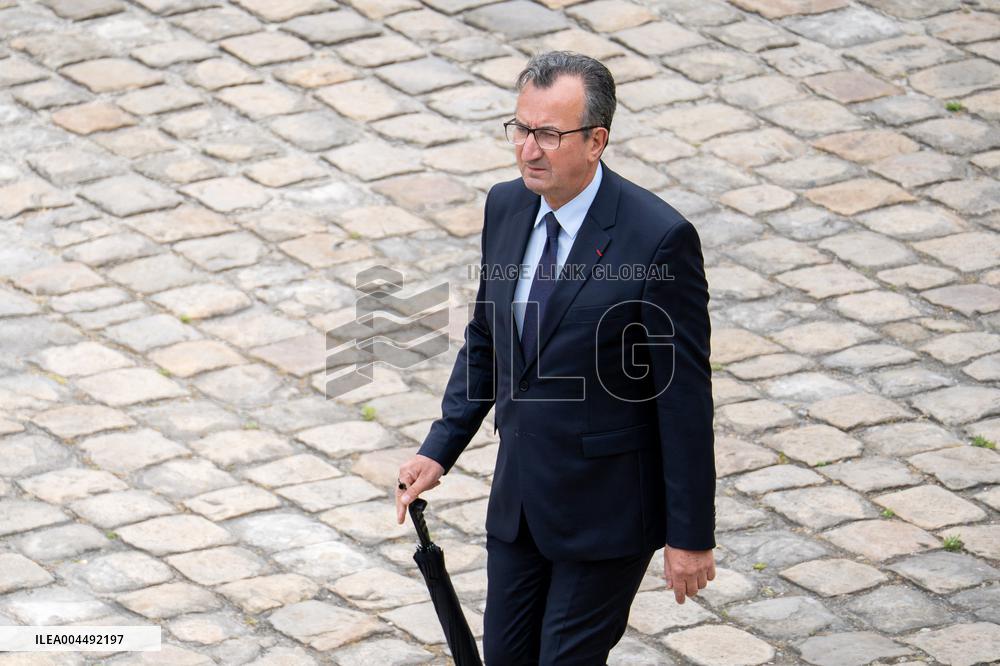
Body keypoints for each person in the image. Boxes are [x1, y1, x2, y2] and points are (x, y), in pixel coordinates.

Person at [396, 51, 716, 665]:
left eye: (548, 133)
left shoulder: (658, 240)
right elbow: (488, 335)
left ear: (597, 140)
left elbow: (684, 401)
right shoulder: (506, 206)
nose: (527, 150)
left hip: (607, 512)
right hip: (520, 505)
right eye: (520, 129)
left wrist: (691, 536)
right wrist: (440, 445)